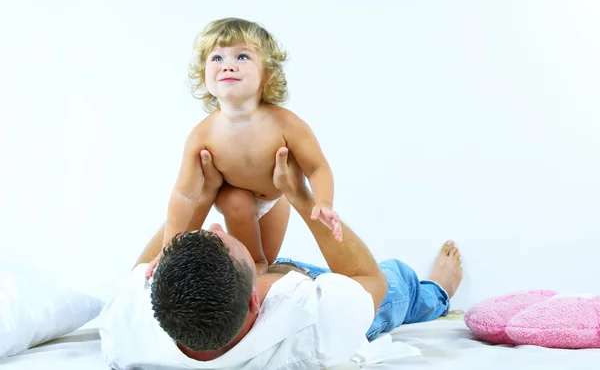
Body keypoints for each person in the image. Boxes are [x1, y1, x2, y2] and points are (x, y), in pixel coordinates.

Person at [99, 147, 463, 370]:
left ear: (157, 282)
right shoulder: (313, 328)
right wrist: (301, 195)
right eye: (227, 237)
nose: (216, 223)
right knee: (399, 283)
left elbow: (137, 273)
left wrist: (205, 192)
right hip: (318, 287)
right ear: (258, 300)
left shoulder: (127, 331)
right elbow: (371, 282)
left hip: (243, 281)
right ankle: (440, 293)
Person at [145, 17, 342, 279]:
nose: (227, 65)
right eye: (216, 58)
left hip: (274, 200)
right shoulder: (202, 135)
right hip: (233, 200)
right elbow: (184, 195)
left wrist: (324, 202)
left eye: (241, 57)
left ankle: (256, 264)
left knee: (264, 264)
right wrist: (170, 247)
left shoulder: (285, 123)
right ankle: (249, 262)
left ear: (267, 73)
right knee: (236, 204)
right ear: (204, 75)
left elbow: (317, 167)